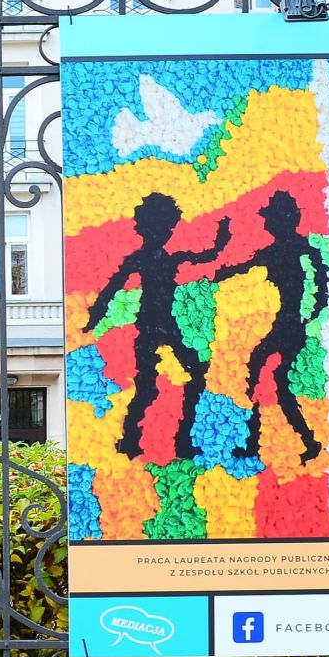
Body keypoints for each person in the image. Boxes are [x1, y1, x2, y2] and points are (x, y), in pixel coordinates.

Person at [84, 192, 230, 459]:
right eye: (163, 227)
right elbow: (111, 289)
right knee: (149, 387)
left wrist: (222, 237)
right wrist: (94, 318)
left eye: (168, 227)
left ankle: (176, 440)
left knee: (191, 375)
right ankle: (134, 440)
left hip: (167, 327)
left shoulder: (169, 258)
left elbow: (208, 255)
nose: (167, 232)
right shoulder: (142, 259)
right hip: (150, 327)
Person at [213, 191, 328, 465]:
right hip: (288, 324)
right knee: (268, 377)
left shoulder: (289, 251)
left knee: (267, 378)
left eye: (270, 218)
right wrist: (313, 311)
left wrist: (311, 313)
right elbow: (245, 266)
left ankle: (269, 442)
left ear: (280, 221)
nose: (266, 223)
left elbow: (321, 281)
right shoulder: (295, 250)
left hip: (290, 325)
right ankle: (290, 441)